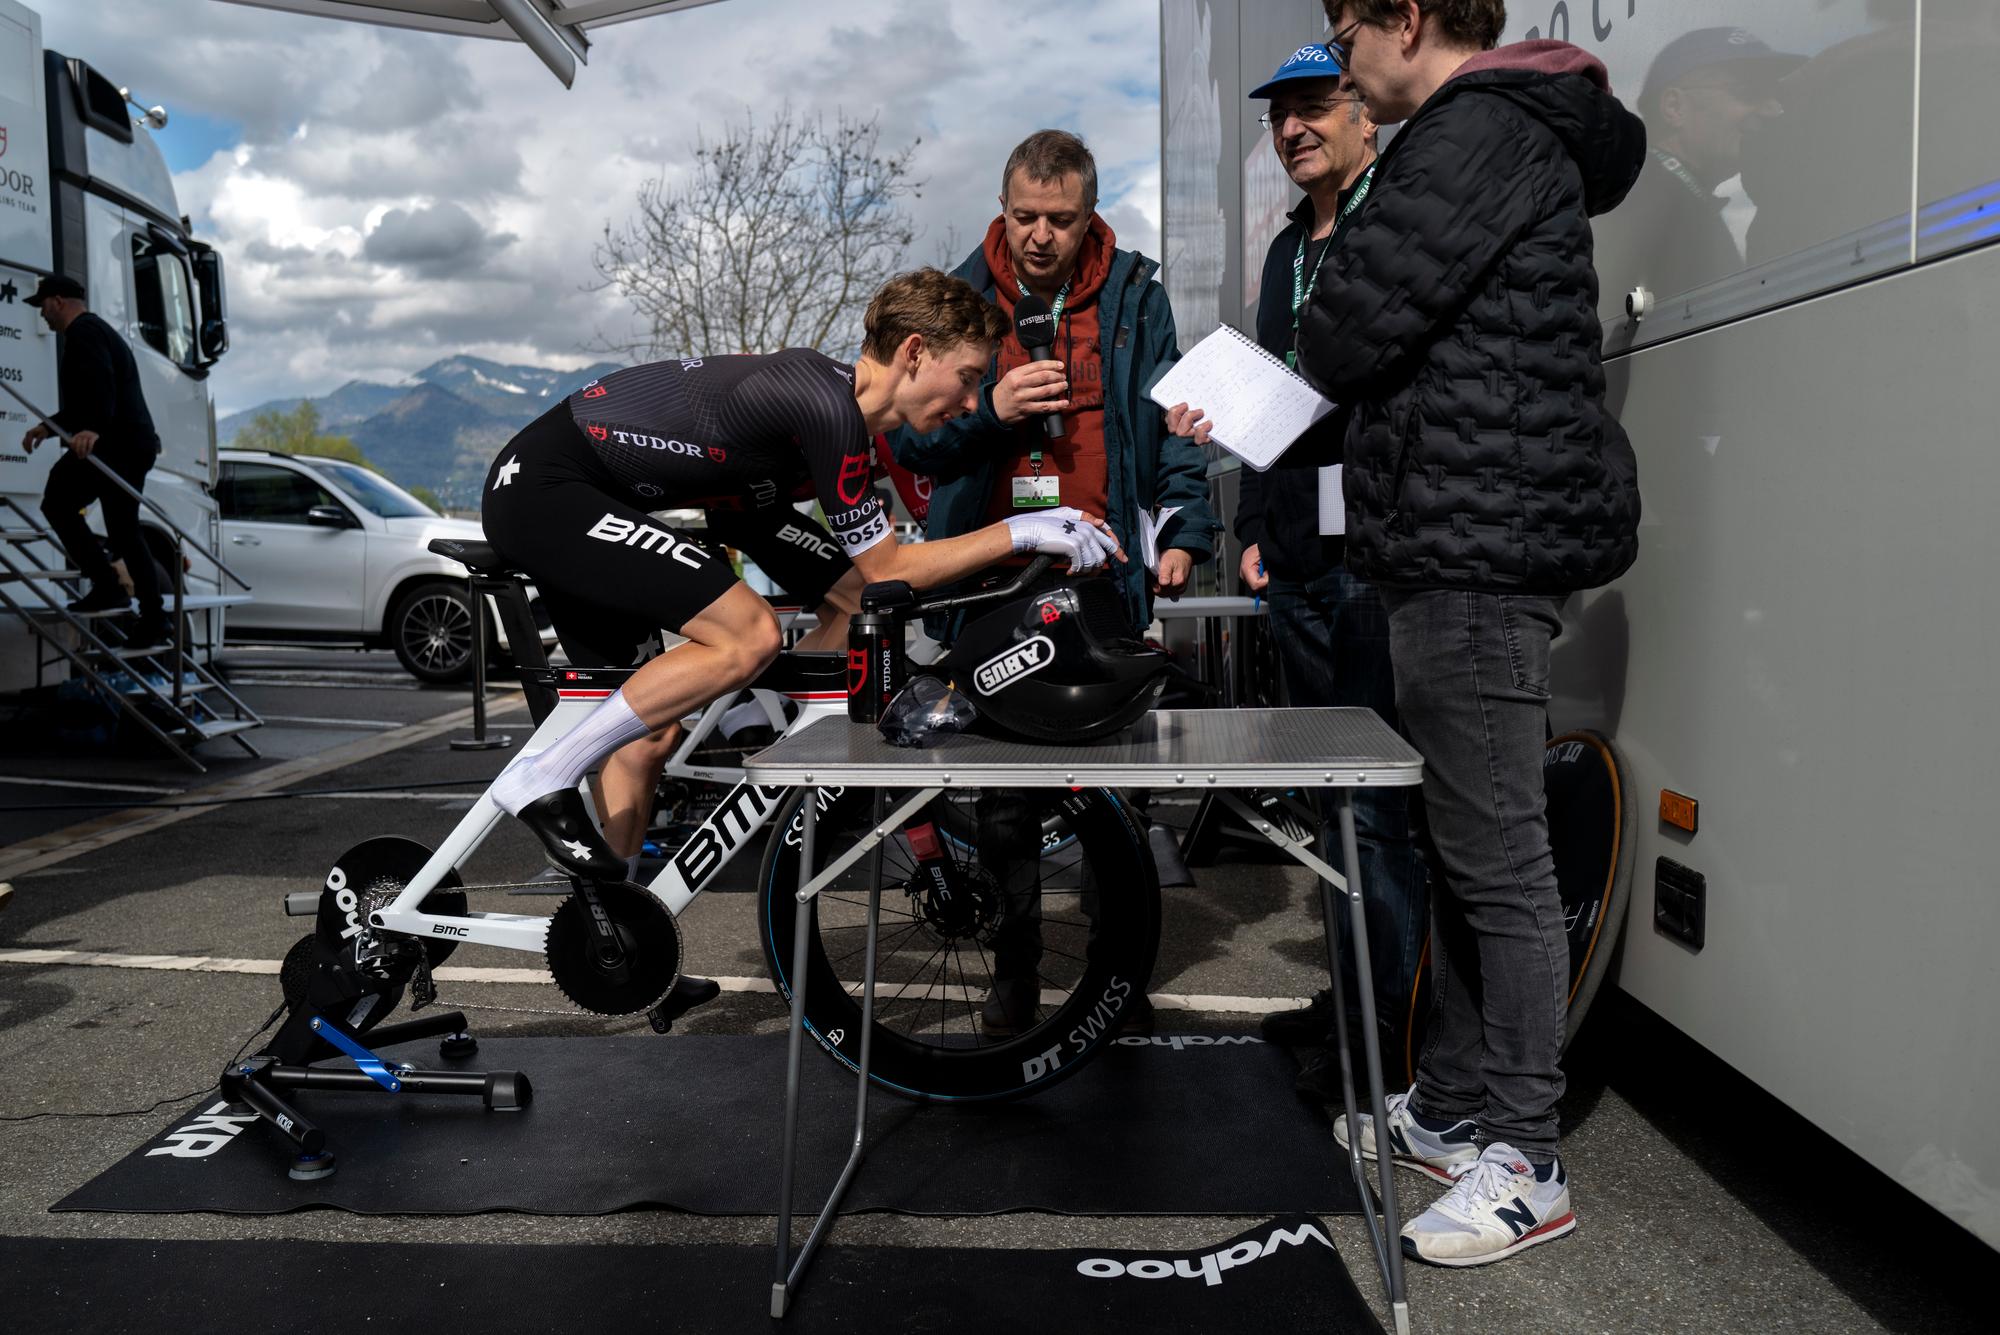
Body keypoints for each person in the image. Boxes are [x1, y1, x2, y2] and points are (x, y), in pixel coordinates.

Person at [1295, 0, 1643, 1268]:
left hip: (1475, 547)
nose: (1340, 63)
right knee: (1461, 842)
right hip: (1459, 532)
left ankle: (1526, 1159)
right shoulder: (1484, 134)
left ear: (1407, 17)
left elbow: (1339, 328)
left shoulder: (1471, 130)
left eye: (1346, 34)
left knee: (1496, 853)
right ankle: (1449, 1109)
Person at [480, 267, 1125, 888]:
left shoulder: (843, 432)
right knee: (747, 636)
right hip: (545, 488)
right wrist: (1022, 530)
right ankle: (545, 774)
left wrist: (834, 632)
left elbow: (832, 564)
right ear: (914, 351)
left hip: (591, 496)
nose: (968, 401)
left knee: (649, 738)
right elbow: (889, 565)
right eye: (966, 378)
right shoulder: (824, 404)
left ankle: (612, 933)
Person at [889, 129, 1220, 1037]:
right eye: (1025, 217)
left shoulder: (1136, 296)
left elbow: (1174, 427)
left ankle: (1120, 968)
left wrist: (1185, 531)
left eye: (1061, 220)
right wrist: (990, 416)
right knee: (1003, 795)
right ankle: (1015, 972)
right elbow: (909, 440)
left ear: (1090, 214)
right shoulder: (956, 300)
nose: (1040, 236)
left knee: (1119, 785)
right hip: (990, 583)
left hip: (1106, 574)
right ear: (1002, 209)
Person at [1218, 44, 1428, 1103]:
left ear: (1363, 118)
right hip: (1296, 562)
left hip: (1379, 560)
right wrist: (1252, 527)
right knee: (1328, 801)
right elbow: (1264, 404)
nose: (1294, 129)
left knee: (1382, 808)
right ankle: (1352, 999)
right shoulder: (1281, 253)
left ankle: (1394, 1040)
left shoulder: (1393, 223)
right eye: (1280, 117)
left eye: (1314, 107)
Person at [20, 275, 169, 647]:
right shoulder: (96, 330)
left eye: (43, 307)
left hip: (116, 445)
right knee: (123, 529)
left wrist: (92, 429)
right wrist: (48, 427)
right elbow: (87, 399)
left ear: (58, 301)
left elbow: (101, 387)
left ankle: (111, 588)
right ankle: (151, 617)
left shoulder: (83, 333)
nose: (42, 317)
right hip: (131, 444)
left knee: (58, 501)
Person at [1623, 27, 1802, 300]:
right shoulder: (1652, 203)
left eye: (1776, 94)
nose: (1773, 108)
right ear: (1675, 107)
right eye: (1750, 91)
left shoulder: (1661, 194)